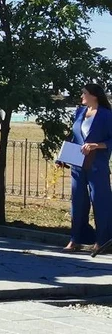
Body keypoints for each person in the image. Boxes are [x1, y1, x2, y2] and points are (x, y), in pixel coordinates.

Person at [61, 83, 112, 254]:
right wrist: (63, 155)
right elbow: (74, 136)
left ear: (94, 96)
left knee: (101, 202)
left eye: (84, 93)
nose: (81, 96)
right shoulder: (80, 112)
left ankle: (103, 241)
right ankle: (76, 240)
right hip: (77, 164)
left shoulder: (106, 115)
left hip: (97, 165)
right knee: (78, 202)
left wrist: (96, 145)